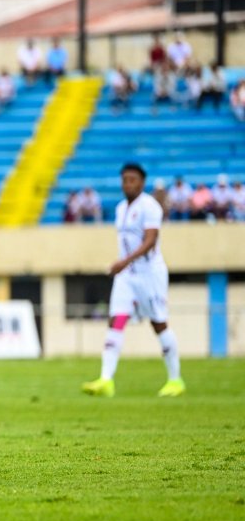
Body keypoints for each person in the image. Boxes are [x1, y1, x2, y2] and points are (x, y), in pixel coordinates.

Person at [82, 163, 184, 399]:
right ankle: (106, 380)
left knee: (158, 323)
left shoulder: (150, 207)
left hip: (150, 273)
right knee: (116, 319)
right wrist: (124, 265)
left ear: (142, 182)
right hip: (127, 276)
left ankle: (175, 379)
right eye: (125, 179)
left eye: (132, 179)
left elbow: (150, 241)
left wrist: (123, 261)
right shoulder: (120, 208)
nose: (128, 183)